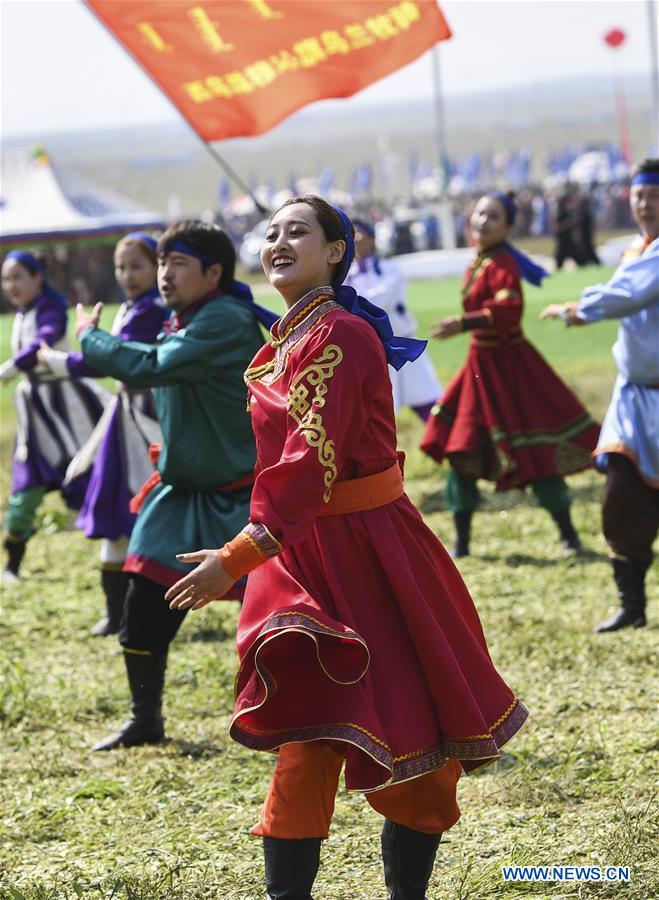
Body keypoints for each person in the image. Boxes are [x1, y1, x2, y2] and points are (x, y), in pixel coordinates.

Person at [165, 196, 528, 899]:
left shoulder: (339, 335)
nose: (277, 241)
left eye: (297, 231)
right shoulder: (287, 338)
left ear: (337, 250)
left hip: (368, 556)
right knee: (304, 735)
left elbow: (310, 462)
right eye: (269, 232)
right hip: (305, 555)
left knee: (410, 737)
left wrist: (237, 557)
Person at [74, 221, 273, 751]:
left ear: (213, 272)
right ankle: (146, 721)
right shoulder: (189, 317)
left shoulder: (224, 319)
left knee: (284, 616)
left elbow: (147, 366)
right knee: (142, 612)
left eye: (177, 263)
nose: (164, 274)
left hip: (244, 499)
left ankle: (307, 720)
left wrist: (90, 338)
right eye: (161, 262)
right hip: (182, 493)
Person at [420, 192, 600, 558]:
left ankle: (569, 537)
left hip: (511, 367)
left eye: (493, 216)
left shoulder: (503, 263)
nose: (482, 221)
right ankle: (462, 543)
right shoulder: (479, 261)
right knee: (462, 447)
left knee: (536, 449)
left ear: (508, 227)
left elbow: (509, 310)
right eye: (479, 214)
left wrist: (465, 323)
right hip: (480, 365)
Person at [540, 158, 659, 632]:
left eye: (654, 196)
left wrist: (577, 308)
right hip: (633, 396)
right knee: (622, 494)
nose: (646, 204)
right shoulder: (637, 249)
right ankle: (632, 605)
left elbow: (628, 295)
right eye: (639, 196)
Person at [38, 233, 169, 636]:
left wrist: (61, 361)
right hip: (124, 421)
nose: (127, 275)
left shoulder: (152, 310)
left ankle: (140, 613)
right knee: (117, 515)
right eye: (121, 267)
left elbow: (114, 360)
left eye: (136, 266)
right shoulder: (134, 307)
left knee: (148, 513)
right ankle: (119, 614)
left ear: (158, 267)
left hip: (146, 425)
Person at [0, 251, 109, 583]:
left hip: (70, 407)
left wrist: (8, 369)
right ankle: (12, 565)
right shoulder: (23, 312)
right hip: (37, 416)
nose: (11, 285)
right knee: (25, 489)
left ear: (38, 278)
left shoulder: (50, 309)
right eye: (6, 279)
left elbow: (40, 344)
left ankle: (121, 560)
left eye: (18, 276)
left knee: (91, 477)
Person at [345, 219, 442, 421]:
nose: (354, 238)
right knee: (380, 412)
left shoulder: (390, 270)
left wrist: (350, 301)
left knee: (429, 403)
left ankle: (448, 447)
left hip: (401, 344)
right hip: (370, 351)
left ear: (372, 239)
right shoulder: (344, 275)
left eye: (358, 233)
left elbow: (378, 301)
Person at [553, 194, 585, 269]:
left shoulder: (569, 213)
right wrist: (569, 223)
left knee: (580, 261)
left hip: (570, 241)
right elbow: (557, 227)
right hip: (562, 242)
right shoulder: (560, 214)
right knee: (559, 262)